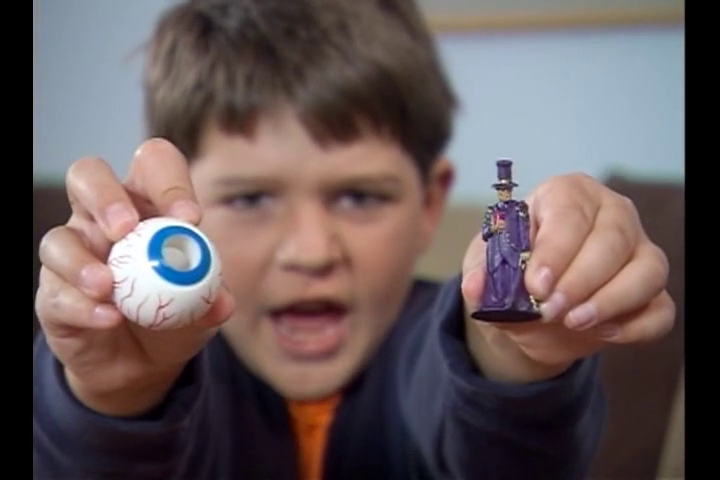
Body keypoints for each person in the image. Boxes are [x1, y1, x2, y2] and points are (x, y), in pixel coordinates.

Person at [32, 0, 676, 479]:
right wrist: (114, 398)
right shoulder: (165, 371)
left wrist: (517, 346)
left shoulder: (430, 341)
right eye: (250, 199)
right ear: (176, 216)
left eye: (359, 197)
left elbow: (492, 428)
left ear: (429, 204)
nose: (311, 251)